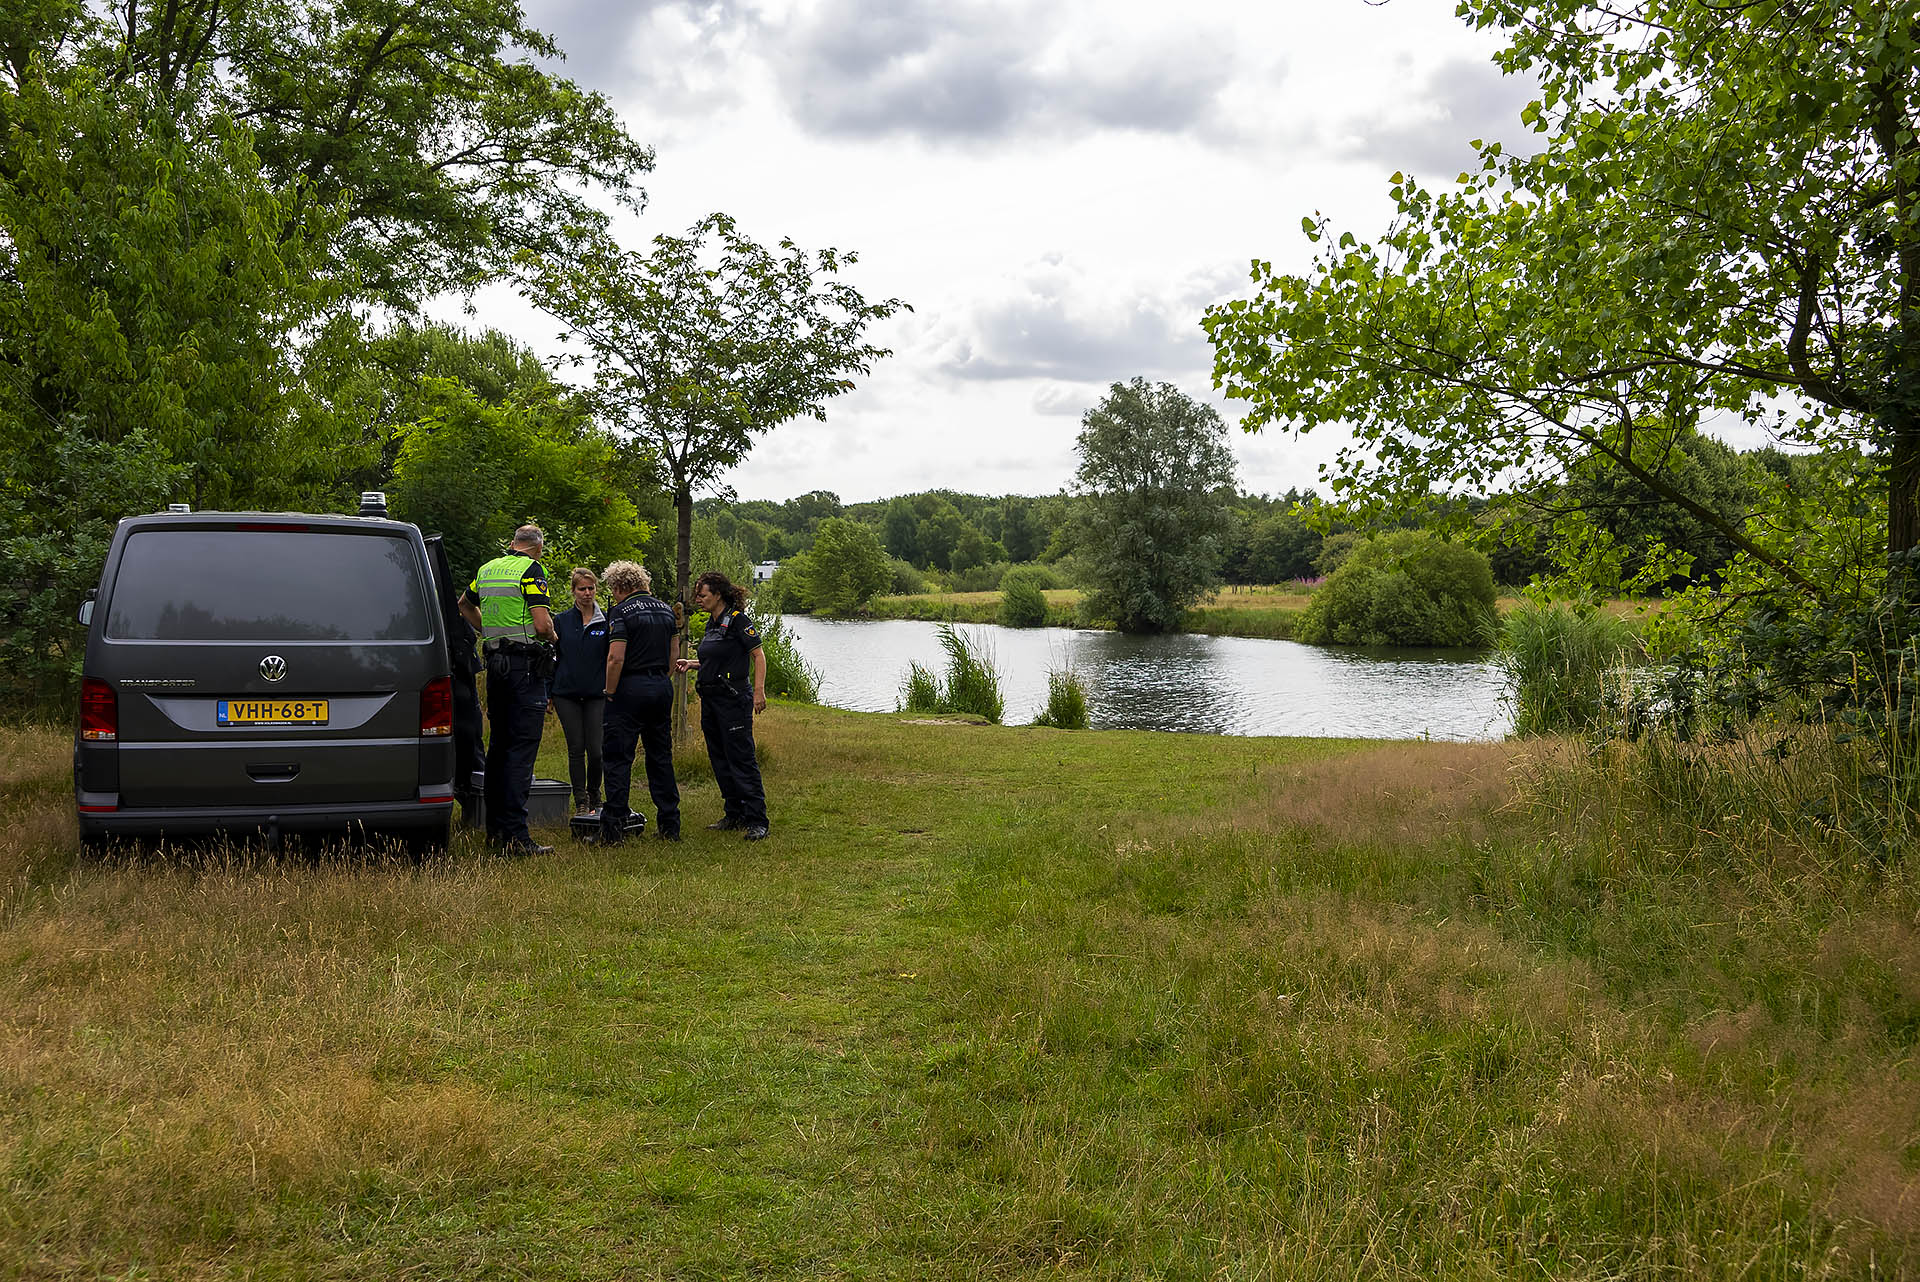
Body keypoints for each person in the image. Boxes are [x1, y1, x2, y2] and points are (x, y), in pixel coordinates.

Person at [458, 524, 557, 856]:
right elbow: (542, 625)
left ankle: (495, 830)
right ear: (537, 549)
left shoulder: (487, 569)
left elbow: (464, 604)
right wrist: (555, 640)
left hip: (496, 666)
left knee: (498, 750)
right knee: (521, 752)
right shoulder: (532, 569)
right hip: (524, 669)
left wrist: (490, 631)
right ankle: (516, 836)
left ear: (513, 544)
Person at [674, 570, 769, 840]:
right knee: (719, 757)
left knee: (741, 758)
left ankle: (757, 819)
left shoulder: (738, 621)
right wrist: (692, 664)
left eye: (703, 595)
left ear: (718, 595)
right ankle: (734, 813)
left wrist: (758, 692)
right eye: (697, 595)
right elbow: (716, 660)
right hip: (711, 699)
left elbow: (758, 656)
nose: (698, 599)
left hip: (733, 700)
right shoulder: (712, 625)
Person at [597, 560, 681, 844]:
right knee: (660, 756)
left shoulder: (621, 612)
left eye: (613, 589)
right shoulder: (667, 610)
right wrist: (661, 678)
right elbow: (674, 653)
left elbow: (615, 657)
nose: (613, 594)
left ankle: (613, 829)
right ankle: (670, 825)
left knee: (618, 758)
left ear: (620, 586)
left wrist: (610, 690)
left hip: (629, 688)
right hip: (660, 685)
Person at [550, 567, 610, 816]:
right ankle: (580, 800)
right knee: (576, 747)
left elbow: (612, 657)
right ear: (573, 591)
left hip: (597, 693)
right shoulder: (562, 621)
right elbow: (552, 657)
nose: (587, 593)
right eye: (582, 589)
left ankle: (595, 793)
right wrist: (548, 692)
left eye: (591, 588)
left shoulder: (606, 621)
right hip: (566, 693)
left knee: (596, 751)